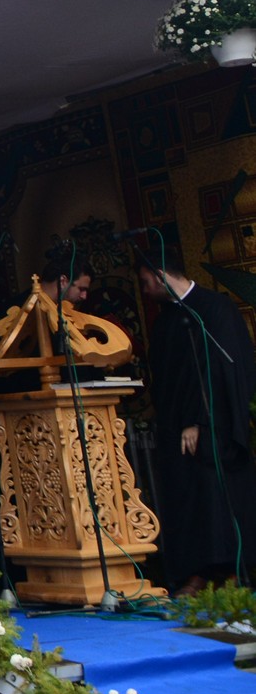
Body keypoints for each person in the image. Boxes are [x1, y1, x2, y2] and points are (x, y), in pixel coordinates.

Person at [137, 254, 256, 595]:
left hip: (218, 427)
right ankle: (196, 573)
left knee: (218, 498)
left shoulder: (216, 309)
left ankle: (231, 574)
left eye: (146, 283)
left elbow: (223, 370)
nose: (145, 292)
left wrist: (200, 420)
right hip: (177, 428)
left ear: (160, 275)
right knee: (186, 501)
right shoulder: (166, 321)